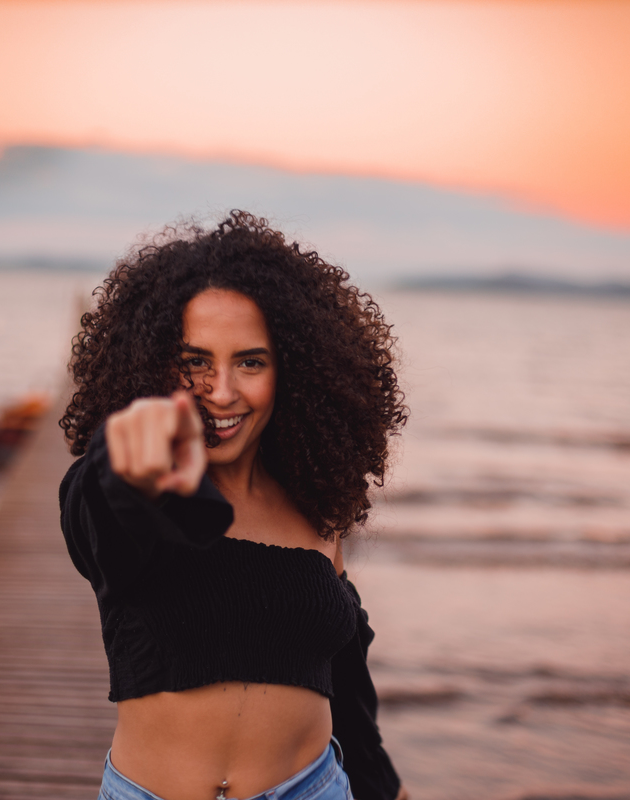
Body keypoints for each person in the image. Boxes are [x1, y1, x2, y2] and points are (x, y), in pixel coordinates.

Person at [58, 211, 409, 800]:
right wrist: (120, 453)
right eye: (195, 360)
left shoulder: (314, 505)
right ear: (156, 366)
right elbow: (97, 515)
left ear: (292, 371)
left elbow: (344, 679)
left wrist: (383, 788)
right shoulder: (133, 495)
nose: (222, 391)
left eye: (250, 362)